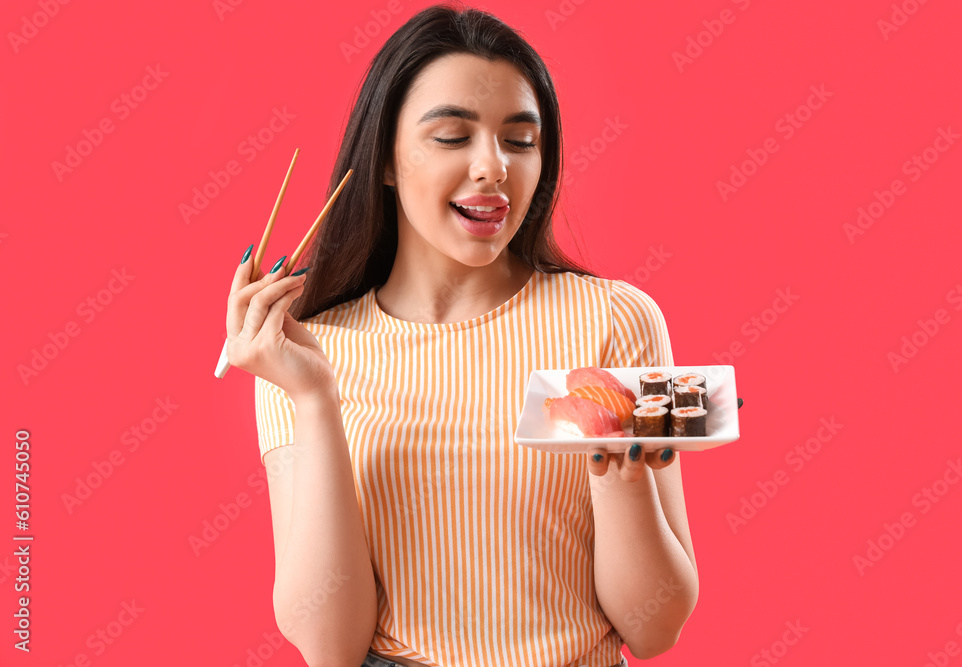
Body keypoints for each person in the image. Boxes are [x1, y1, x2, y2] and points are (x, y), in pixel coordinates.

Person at [225, 4, 698, 666]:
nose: (493, 167)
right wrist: (314, 398)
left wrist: (616, 472)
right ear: (386, 159)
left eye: (520, 140)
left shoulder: (617, 322)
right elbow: (330, 646)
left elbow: (656, 629)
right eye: (453, 136)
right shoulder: (306, 351)